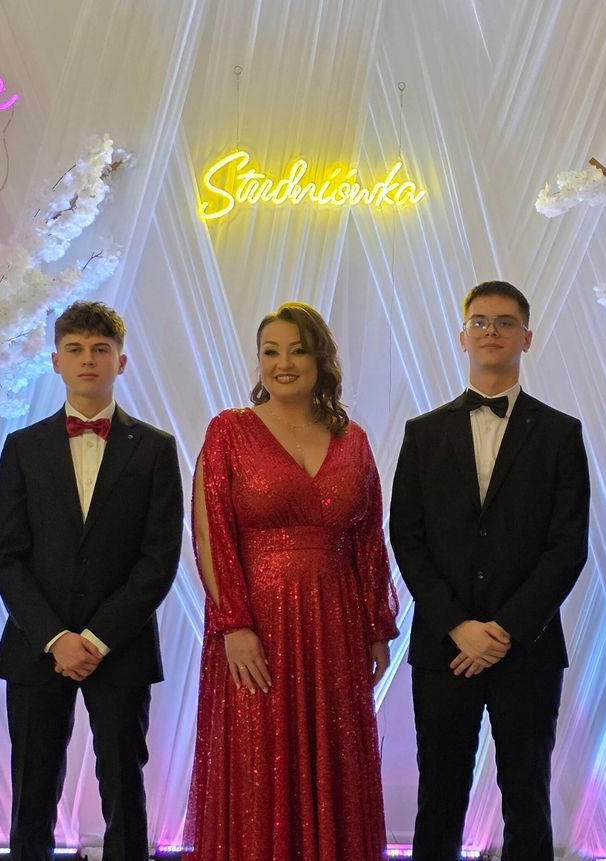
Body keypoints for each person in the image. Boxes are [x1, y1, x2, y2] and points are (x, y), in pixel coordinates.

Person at [184, 302, 399, 861]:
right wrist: (233, 624)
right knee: (259, 764)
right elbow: (211, 535)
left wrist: (377, 626)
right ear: (258, 361)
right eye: (271, 352)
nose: (283, 364)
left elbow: (369, 539)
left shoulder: (353, 439)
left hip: (336, 630)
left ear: (320, 359)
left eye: (298, 351)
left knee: (335, 758)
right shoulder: (228, 431)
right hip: (257, 630)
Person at [390, 281, 590, 861]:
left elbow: (567, 546)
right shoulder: (423, 433)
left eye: (505, 322)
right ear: (462, 337)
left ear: (526, 337)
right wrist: (458, 625)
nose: (491, 331)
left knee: (527, 797)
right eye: (479, 321)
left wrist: (503, 630)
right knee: (439, 794)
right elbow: (408, 538)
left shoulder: (560, 433)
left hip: (526, 648)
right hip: (443, 647)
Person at [0, 301, 183, 861]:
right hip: (37, 645)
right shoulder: (22, 447)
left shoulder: (156, 448)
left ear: (122, 361)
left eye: (101, 349)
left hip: (120, 645)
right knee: (32, 786)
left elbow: (158, 559)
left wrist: (96, 638)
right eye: (75, 349)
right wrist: (55, 638)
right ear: (56, 361)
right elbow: (4, 554)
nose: (88, 359)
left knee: (123, 782)